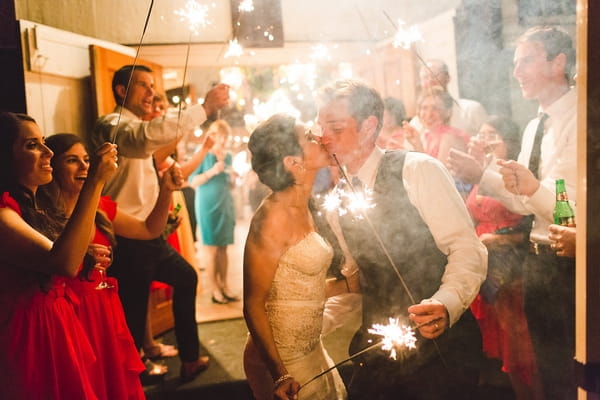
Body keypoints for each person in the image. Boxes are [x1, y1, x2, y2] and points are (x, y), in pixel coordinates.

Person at [315, 79, 487, 400]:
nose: (323, 138)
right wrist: (308, 327)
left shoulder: (418, 170)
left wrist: (446, 302)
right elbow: (360, 282)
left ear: (368, 127)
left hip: (441, 351)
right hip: (378, 349)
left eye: (335, 128)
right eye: (320, 126)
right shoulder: (337, 199)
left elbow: (468, 250)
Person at [448, 26, 576, 399]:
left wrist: (534, 188)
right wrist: (481, 175)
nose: (516, 72)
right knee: (550, 369)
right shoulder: (537, 125)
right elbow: (521, 201)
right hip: (538, 262)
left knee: (572, 371)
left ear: (558, 62)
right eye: (515, 63)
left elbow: (570, 208)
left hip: (570, 259)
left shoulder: (580, 118)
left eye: (526, 61)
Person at [88, 64, 229, 382]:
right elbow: (141, 139)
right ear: (122, 92)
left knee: (185, 278)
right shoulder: (113, 125)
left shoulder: (139, 129)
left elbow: (153, 151)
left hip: (149, 232)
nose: (152, 93)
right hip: (123, 233)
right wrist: (204, 108)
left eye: (153, 86)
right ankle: (134, 373)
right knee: (133, 308)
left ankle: (188, 358)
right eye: (143, 86)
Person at [0, 112, 117, 398]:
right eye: (32, 145)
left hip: (57, 325)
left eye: (43, 142)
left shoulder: (35, 207)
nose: (48, 151)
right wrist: (95, 183)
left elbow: (59, 254)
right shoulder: (3, 213)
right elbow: (63, 262)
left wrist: (85, 252)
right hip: (29, 337)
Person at [243, 114, 356, 400]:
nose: (318, 137)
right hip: (279, 362)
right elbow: (254, 303)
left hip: (311, 350)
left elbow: (296, 288)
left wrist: (353, 286)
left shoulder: (306, 206)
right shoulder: (271, 218)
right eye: (308, 136)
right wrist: (280, 374)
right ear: (292, 163)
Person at [461, 117, 541, 399]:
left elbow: (531, 222)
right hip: (485, 265)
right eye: (481, 134)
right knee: (494, 342)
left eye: (492, 135)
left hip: (511, 268)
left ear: (509, 140)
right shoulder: (481, 173)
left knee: (518, 344)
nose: (485, 140)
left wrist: (498, 239)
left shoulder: (517, 174)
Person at [189, 119, 238, 304]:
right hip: (207, 203)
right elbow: (193, 181)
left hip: (225, 202)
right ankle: (215, 289)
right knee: (211, 249)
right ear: (212, 135)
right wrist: (211, 172)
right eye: (219, 135)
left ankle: (225, 285)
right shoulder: (201, 154)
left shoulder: (228, 157)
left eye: (225, 136)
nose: (223, 140)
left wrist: (232, 179)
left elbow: (229, 184)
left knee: (224, 247)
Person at [411, 59, 488, 136]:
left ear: (447, 78)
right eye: (425, 77)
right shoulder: (416, 123)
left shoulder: (471, 110)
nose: (430, 81)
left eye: (434, 76)